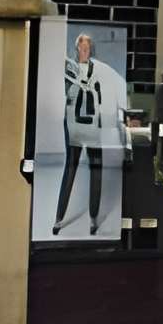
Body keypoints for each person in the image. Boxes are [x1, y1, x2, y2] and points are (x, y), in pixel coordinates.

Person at [52, 30, 125, 237]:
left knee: (96, 170)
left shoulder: (99, 70)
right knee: (70, 170)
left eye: (87, 49)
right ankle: (59, 219)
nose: (84, 51)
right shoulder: (69, 68)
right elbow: (63, 97)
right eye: (81, 48)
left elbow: (105, 97)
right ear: (76, 49)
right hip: (74, 125)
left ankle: (93, 218)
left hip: (93, 126)